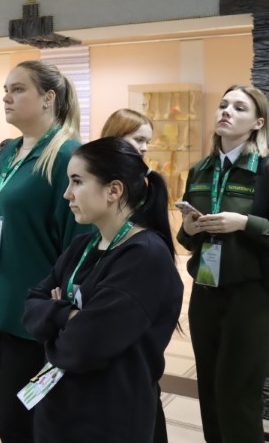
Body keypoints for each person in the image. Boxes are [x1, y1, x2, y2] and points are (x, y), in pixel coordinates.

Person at [23, 137, 183, 442]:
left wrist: (56, 318)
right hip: (60, 406)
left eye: (77, 181)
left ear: (114, 190)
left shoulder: (144, 256)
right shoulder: (82, 245)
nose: (67, 194)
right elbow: (31, 307)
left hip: (108, 418)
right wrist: (69, 315)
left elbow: (84, 345)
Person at [0, 60, 92, 443]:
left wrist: (64, 309)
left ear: (48, 98)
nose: (6, 97)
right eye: (6, 89)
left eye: (18, 89)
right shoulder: (7, 152)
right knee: (6, 410)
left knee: (26, 420)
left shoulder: (67, 155)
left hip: (33, 319)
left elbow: (81, 241)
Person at [176, 84, 269, 443]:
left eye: (240, 108)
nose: (227, 111)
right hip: (204, 291)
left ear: (258, 122)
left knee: (237, 395)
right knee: (210, 391)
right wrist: (188, 229)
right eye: (224, 104)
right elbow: (188, 240)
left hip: (251, 296)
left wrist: (244, 223)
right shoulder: (200, 170)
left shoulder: (264, 169)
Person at [99, 107, 169, 443]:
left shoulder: (144, 189)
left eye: (147, 142)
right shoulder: (93, 181)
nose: (144, 148)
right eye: (138, 139)